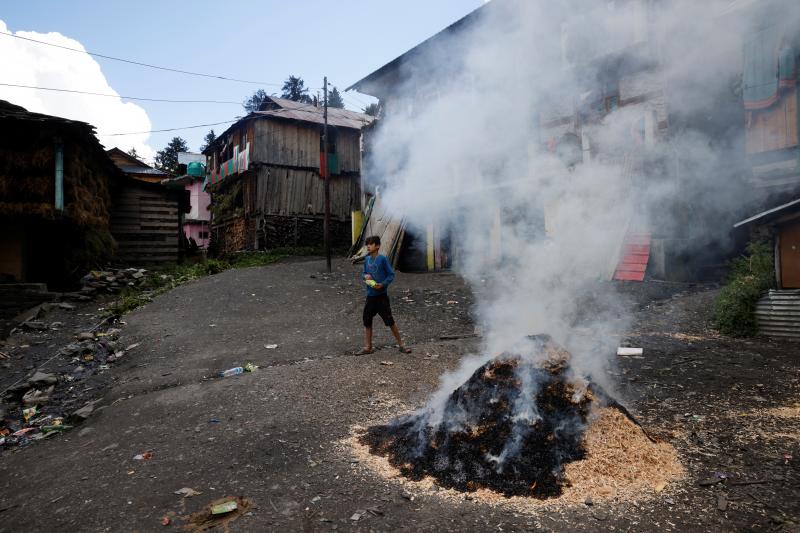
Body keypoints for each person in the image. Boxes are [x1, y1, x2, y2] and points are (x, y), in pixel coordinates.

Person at [358, 235, 411, 355]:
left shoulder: (382, 259)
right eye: (367, 244)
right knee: (367, 320)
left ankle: (401, 344)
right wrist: (365, 277)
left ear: (377, 246)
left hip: (381, 296)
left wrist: (382, 284)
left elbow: (391, 275)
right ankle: (368, 347)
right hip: (370, 296)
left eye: (370, 244)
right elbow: (364, 273)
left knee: (389, 320)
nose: (368, 246)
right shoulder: (367, 260)